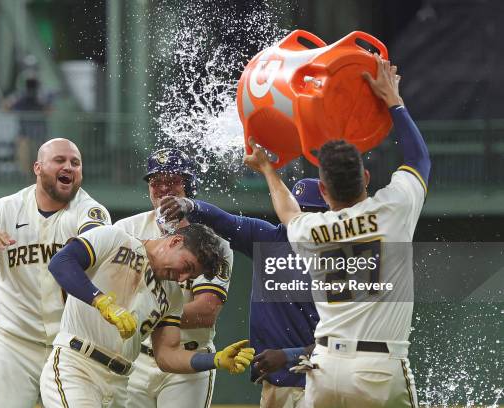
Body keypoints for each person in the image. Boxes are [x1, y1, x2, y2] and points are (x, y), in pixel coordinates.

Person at [244, 54, 430, 408]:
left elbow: (287, 212)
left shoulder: (312, 230)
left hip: (325, 368)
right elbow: (419, 160)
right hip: (378, 369)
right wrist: (393, 101)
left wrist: (268, 169)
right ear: (366, 178)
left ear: (324, 191)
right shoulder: (394, 208)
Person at [0, 138, 110, 408]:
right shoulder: (5, 208)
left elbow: (96, 246)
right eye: (60, 160)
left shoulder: (90, 211)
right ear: (38, 167)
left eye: (75, 163)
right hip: (13, 344)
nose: (69, 166)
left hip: (69, 346)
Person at [40, 223, 254, 408]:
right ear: (175, 241)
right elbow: (61, 261)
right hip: (77, 366)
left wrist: (214, 359)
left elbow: (167, 355)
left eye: (191, 276)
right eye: (187, 267)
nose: (182, 278)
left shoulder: (173, 295)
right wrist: (100, 301)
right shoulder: (114, 238)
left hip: (119, 385)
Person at [160, 178, 327, 408]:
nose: (303, 218)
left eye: (313, 212)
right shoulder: (269, 238)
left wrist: (289, 356)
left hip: (323, 380)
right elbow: (225, 221)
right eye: (300, 209)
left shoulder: (342, 255)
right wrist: (191, 205)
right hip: (278, 384)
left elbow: (345, 338)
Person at [113, 148, 234, 408]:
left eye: (173, 181)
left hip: (188, 356)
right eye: (156, 182)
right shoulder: (126, 229)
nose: (163, 188)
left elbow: (206, 311)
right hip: (134, 357)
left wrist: (144, 315)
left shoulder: (214, 242)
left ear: (189, 186)